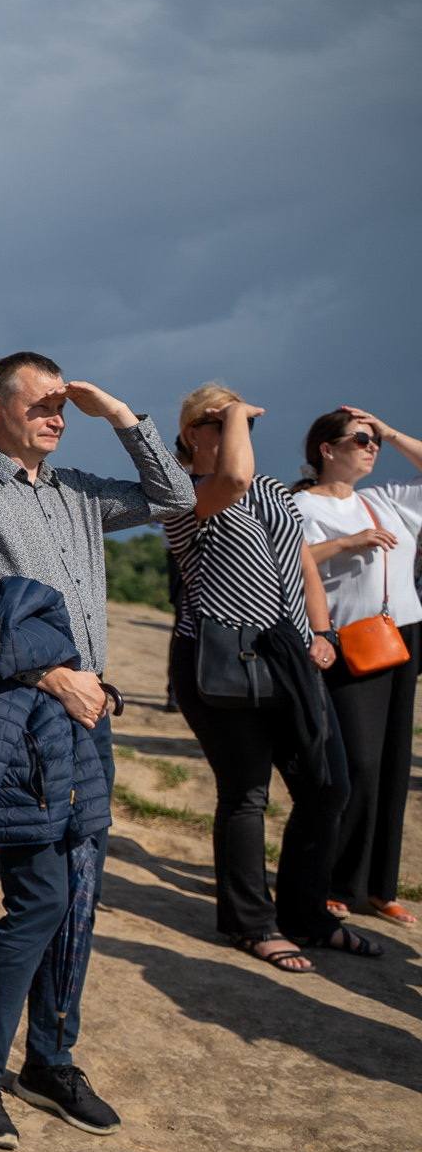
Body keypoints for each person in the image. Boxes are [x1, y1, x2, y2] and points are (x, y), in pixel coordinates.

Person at [0, 352, 193, 1150]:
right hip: (23, 715)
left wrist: (122, 416)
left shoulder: (76, 489)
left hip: (89, 713)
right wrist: (54, 676)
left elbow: (177, 497)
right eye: (39, 402)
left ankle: (49, 1061)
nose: (55, 415)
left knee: (78, 899)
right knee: (38, 900)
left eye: (61, 405)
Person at [162, 387, 366, 972]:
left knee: (328, 785)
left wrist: (322, 633)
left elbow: (303, 565)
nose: (236, 428)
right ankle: (251, 924)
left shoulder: (274, 490)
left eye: (241, 420)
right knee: (246, 793)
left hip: (289, 655)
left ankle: (307, 915)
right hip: (222, 657)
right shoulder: (183, 492)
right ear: (193, 433)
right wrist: (236, 416)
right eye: (220, 420)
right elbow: (232, 479)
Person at [294, 406, 422, 928]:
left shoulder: (383, 499)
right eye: (361, 440)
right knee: (359, 764)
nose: (372, 448)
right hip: (348, 639)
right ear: (328, 449)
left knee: (393, 765)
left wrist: (388, 431)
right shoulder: (302, 503)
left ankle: (377, 888)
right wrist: (348, 543)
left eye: (375, 442)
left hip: (403, 635)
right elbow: (291, 560)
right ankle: (331, 881)